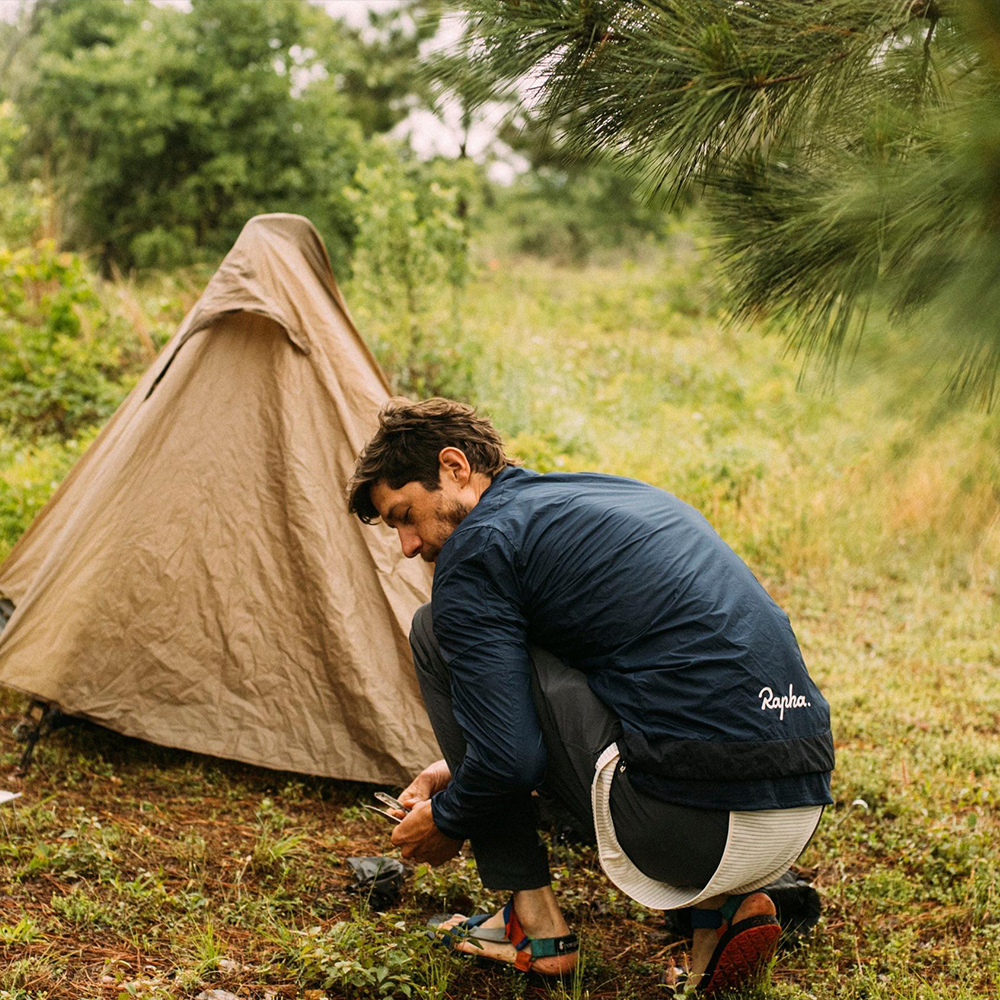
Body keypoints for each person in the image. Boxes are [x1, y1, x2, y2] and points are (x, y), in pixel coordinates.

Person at [347, 398, 834, 994]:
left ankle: (533, 925)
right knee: (673, 700)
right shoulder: (604, 497)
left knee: (433, 630)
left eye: (405, 515)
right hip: (797, 804)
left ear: (454, 467)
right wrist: (460, 766)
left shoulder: (478, 549)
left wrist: (450, 818)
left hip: (689, 833)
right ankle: (721, 915)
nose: (407, 545)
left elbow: (510, 760)